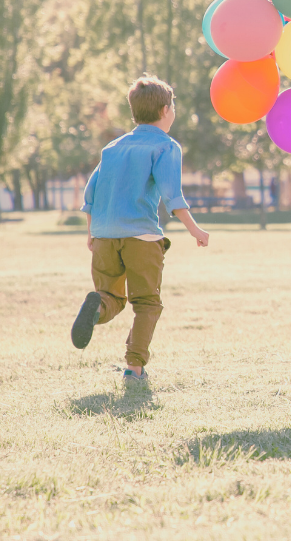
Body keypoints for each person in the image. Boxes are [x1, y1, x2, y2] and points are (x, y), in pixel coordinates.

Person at [70, 75, 211, 385]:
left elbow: (90, 195)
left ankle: (97, 308)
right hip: (141, 237)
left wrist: (91, 233)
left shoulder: (113, 147)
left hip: (105, 236)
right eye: (173, 106)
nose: (173, 111)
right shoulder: (165, 146)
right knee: (146, 303)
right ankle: (134, 369)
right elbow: (172, 195)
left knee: (111, 297)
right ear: (164, 110)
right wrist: (195, 229)